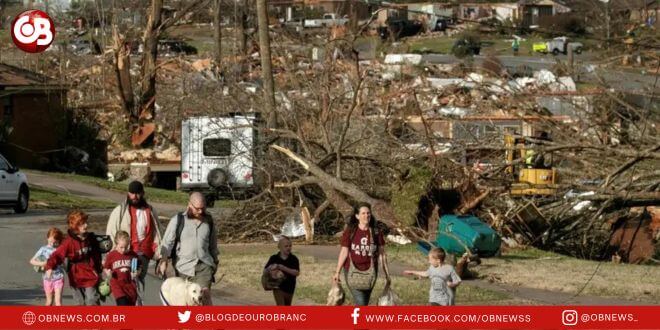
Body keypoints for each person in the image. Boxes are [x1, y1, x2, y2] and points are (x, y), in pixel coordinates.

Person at [157, 192, 219, 305]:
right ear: (189, 205)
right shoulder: (178, 220)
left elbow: (213, 245)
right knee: (186, 301)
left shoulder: (209, 221)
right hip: (183, 268)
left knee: (204, 297)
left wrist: (215, 262)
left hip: (204, 266)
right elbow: (167, 242)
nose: (200, 211)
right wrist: (164, 260)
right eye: (197, 209)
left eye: (203, 208)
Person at [106, 180, 162, 295]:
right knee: (125, 282)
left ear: (142, 193)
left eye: (137, 193)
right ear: (128, 193)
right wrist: (111, 254)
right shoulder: (120, 211)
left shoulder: (150, 211)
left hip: (143, 254)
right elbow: (111, 233)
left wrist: (159, 254)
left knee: (137, 282)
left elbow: (157, 232)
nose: (134, 196)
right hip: (126, 253)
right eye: (132, 193)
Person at [332, 203, 391, 306]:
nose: (366, 215)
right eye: (363, 213)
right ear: (357, 216)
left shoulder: (376, 232)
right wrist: (337, 272)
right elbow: (344, 251)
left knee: (364, 302)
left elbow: (382, 254)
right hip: (352, 271)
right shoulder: (350, 231)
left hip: (371, 272)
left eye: (368, 213)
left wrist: (387, 274)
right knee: (361, 303)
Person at [46, 210, 103, 306]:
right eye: (82, 224)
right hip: (75, 275)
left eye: (86, 222)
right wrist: (50, 266)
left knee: (91, 300)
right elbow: (57, 255)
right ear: (75, 226)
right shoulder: (68, 242)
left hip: (90, 274)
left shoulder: (90, 239)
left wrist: (99, 271)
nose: (86, 225)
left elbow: (96, 256)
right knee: (79, 303)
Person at [30, 228, 65, 306]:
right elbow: (32, 261)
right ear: (47, 238)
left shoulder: (60, 249)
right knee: (49, 301)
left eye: (55, 242)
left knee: (58, 302)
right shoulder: (43, 249)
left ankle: (59, 318)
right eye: (51, 241)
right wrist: (44, 263)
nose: (52, 244)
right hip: (47, 279)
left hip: (59, 278)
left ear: (59, 241)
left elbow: (63, 263)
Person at [103, 231, 140, 306]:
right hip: (117, 286)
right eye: (121, 247)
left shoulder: (133, 255)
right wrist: (108, 273)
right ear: (116, 244)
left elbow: (139, 267)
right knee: (122, 303)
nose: (123, 250)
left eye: (126, 247)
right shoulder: (111, 255)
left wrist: (137, 272)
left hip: (130, 285)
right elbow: (105, 267)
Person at [264, 236, 300, 306]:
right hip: (278, 287)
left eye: (290, 246)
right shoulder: (274, 258)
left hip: (290, 287)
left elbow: (297, 272)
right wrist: (271, 268)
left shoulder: (294, 259)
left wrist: (283, 268)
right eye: (286, 246)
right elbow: (265, 270)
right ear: (279, 247)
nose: (288, 248)